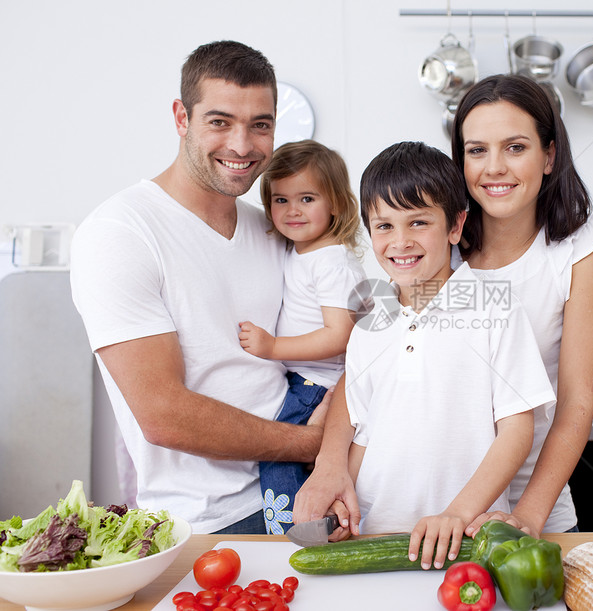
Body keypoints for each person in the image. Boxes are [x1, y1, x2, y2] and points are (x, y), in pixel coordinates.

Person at [294, 74, 593, 537]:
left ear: (549, 156)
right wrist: (332, 465)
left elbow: (577, 401)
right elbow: (371, 372)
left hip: (527, 499)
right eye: (477, 150)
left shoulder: (576, 249)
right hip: (411, 513)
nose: (495, 167)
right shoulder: (430, 251)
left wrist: (525, 516)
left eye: (516, 147)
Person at [70, 40, 327, 535]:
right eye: (219, 121)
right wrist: (314, 444)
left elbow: (335, 335)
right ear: (181, 118)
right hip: (212, 521)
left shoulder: (275, 228)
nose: (242, 145)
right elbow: (164, 415)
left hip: (309, 492)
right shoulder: (120, 233)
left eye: (260, 125)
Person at [328, 141, 554, 570]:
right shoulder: (368, 328)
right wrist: (344, 504)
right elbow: (364, 435)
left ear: (455, 225)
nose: (400, 241)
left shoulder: (494, 307)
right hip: (378, 539)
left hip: (465, 541)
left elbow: (516, 430)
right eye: (384, 226)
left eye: (418, 222)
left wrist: (459, 512)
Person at [237, 140, 368, 535]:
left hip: (318, 382)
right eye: (280, 200)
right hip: (307, 379)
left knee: (279, 454)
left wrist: (273, 348)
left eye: (307, 198)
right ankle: (316, 524)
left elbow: (341, 334)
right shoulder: (304, 251)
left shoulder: (331, 262)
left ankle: (295, 535)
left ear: (337, 205)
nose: (292, 210)